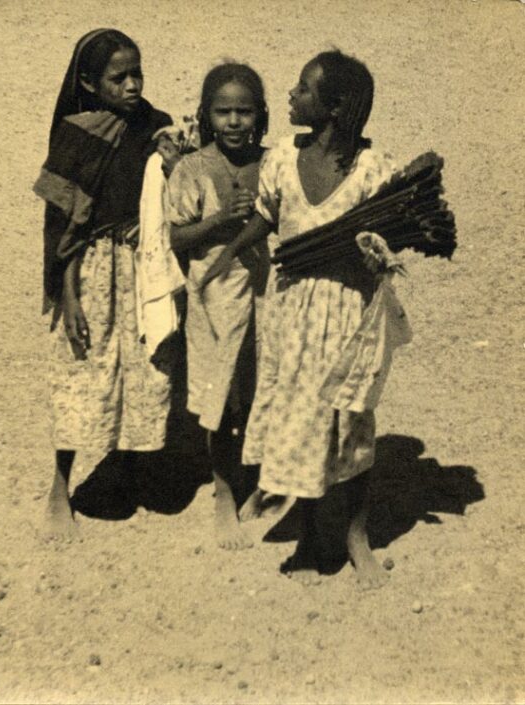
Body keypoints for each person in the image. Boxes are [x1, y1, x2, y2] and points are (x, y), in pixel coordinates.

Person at [202, 50, 410, 588]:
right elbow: (267, 216)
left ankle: (355, 537)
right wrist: (229, 253)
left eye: (302, 89)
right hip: (292, 312)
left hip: (348, 314)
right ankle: (314, 534)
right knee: (299, 417)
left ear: (334, 107)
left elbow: (386, 242)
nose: (290, 97)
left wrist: (377, 256)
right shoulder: (280, 160)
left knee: (349, 423)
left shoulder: (374, 169)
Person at [33, 29, 175, 539]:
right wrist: (68, 294)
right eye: (120, 78)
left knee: (142, 368)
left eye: (137, 74)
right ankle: (59, 489)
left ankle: (128, 472)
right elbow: (65, 228)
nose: (133, 85)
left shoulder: (151, 124)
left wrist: (167, 148)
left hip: (141, 266)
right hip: (91, 270)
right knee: (83, 369)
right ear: (90, 83)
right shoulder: (76, 135)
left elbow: (167, 152)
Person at [168, 62, 270, 550]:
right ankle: (224, 493)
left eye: (244, 112)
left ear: (260, 116)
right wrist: (216, 221)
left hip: (267, 294)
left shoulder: (273, 164)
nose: (233, 122)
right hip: (214, 297)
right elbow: (176, 236)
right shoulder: (192, 168)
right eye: (223, 111)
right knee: (221, 397)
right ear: (207, 116)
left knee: (258, 390)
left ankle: (260, 482)